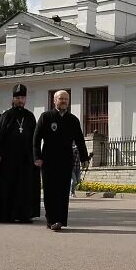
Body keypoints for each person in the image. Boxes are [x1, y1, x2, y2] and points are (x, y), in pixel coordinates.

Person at [0, 84, 38, 223]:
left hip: (25, 158)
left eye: (22, 98)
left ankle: (23, 215)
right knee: (6, 186)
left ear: (25, 99)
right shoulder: (7, 115)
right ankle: (5, 214)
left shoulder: (30, 116)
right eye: (18, 98)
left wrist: (36, 155)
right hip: (8, 158)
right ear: (13, 99)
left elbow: (35, 138)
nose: (20, 100)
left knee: (23, 187)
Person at [33, 90, 89, 231]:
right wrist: (37, 157)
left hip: (65, 160)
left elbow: (80, 140)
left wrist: (84, 158)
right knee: (50, 191)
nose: (64, 101)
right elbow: (36, 138)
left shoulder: (73, 120)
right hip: (48, 160)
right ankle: (51, 220)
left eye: (66, 99)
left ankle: (60, 220)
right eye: (61, 99)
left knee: (63, 192)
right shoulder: (46, 117)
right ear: (54, 100)